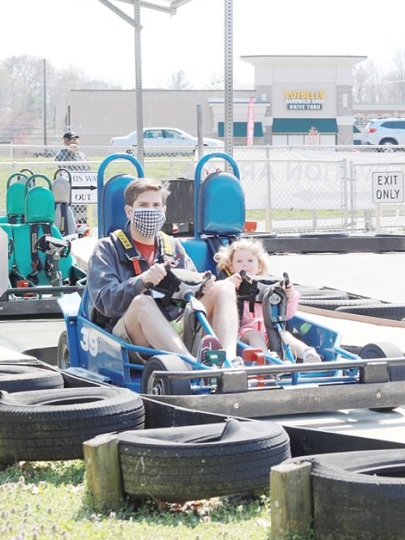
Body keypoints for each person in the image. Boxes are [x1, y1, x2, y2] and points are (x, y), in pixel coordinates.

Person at [86, 177, 242, 365]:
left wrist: (202, 285)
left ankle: (229, 362)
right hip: (128, 336)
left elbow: (190, 291)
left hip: (173, 325)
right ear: (129, 211)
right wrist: (141, 281)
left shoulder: (172, 246)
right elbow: (105, 303)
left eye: (156, 205)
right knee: (142, 302)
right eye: (143, 205)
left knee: (224, 287)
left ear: (164, 211)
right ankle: (189, 365)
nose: (151, 211)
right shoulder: (107, 248)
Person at [214, 238, 321, 362]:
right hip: (243, 334)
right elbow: (218, 299)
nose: (245, 264)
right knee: (255, 335)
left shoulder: (268, 287)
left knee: (285, 335)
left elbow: (286, 315)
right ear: (231, 267)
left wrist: (290, 296)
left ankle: (307, 352)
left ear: (259, 266)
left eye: (250, 260)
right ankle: (266, 358)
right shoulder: (230, 287)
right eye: (239, 261)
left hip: (269, 331)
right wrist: (228, 283)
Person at [55, 130, 90, 223]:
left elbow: (87, 168)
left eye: (75, 139)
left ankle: (82, 224)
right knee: (70, 210)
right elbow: (59, 163)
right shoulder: (62, 154)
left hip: (82, 186)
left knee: (82, 210)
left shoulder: (81, 155)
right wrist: (68, 151)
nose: (75, 142)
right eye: (72, 139)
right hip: (69, 186)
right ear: (66, 141)